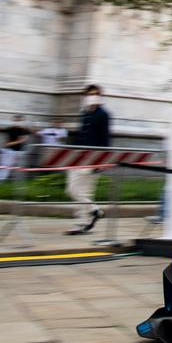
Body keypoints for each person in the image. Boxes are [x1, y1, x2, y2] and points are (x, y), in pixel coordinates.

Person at [65, 85, 111, 235]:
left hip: (93, 158)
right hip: (78, 157)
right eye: (89, 94)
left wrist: (100, 162)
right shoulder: (84, 113)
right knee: (72, 190)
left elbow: (105, 140)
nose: (91, 96)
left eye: (94, 94)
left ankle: (81, 224)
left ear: (99, 96)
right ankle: (95, 210)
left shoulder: (103, 114)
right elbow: (80, 135)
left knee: (83, 191)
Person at [0, 116, 31, 181]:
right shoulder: (9, 129)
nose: (18, 122)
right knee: (5, 166)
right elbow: (6, 142)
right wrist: (17, 141)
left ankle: (19, 183)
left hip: (20, 151)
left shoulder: (25, 130)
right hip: (8, 150)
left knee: (20, 167)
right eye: (16, 121)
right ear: (13, 121)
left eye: (20, 121)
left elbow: (24, 139)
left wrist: (18, 141)